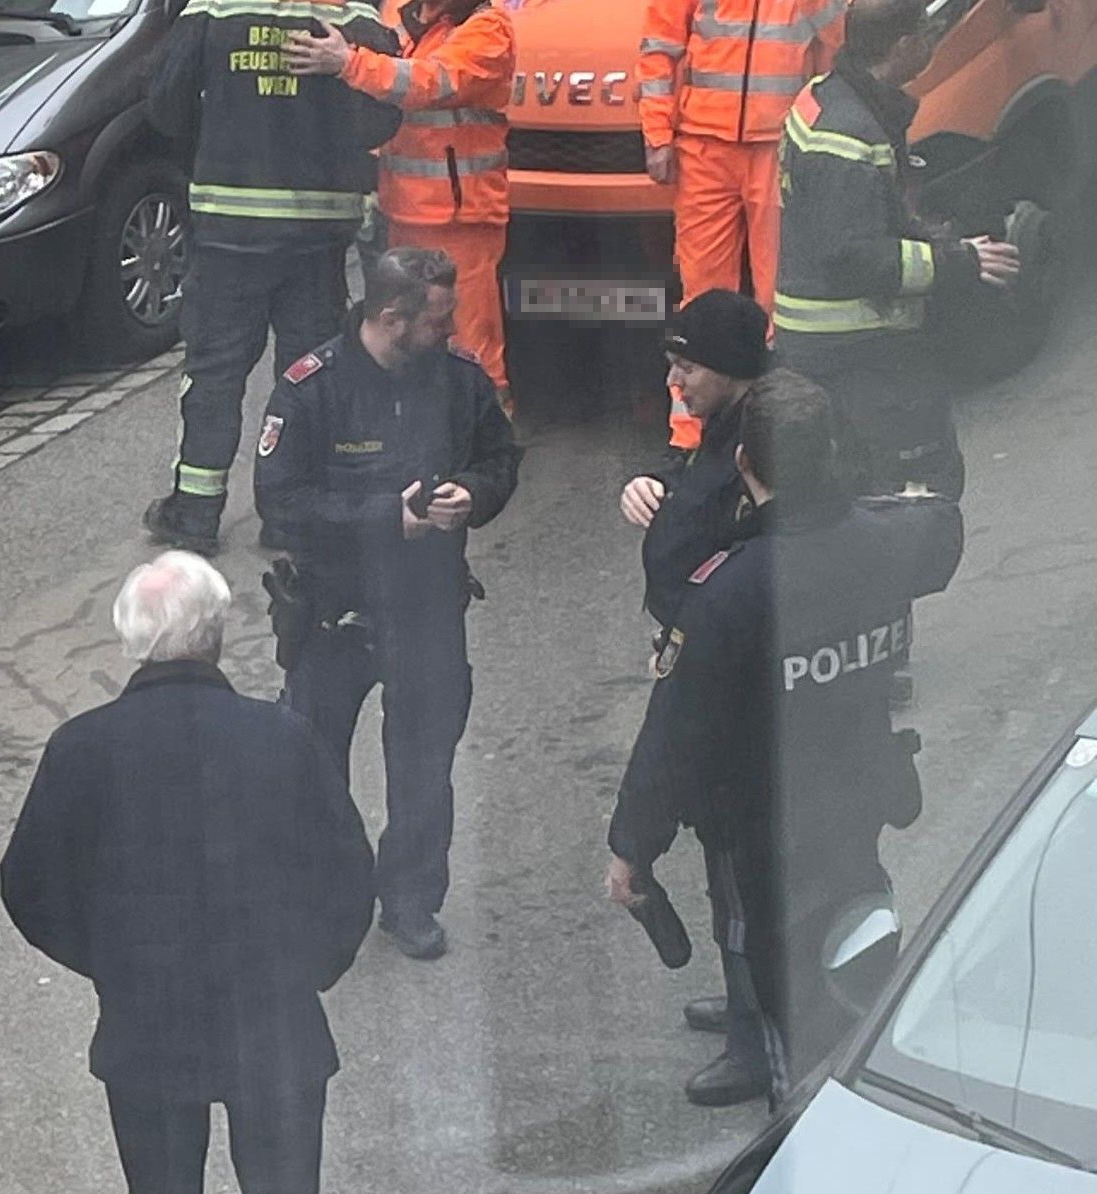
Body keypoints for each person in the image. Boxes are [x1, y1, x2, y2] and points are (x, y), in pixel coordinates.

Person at [0, 552, 378, 1194]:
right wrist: (309, 968)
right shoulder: (279, 737)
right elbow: (348, 875)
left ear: (131, 642)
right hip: (271, 1017)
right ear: (217, 634)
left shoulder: (81, 749)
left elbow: (28, 887)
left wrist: (110, 962)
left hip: (145, 1024)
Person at [604, 373, 962, 1098]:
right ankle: (856, 1051)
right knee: (855, 924)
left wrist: (631, 851)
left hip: (759, 816)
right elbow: (936, 526)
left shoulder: (729, 592)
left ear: (743, 464)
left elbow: (673, 738)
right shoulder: (892, 541)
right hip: (860, 784)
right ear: (829, 452)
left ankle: (792, 1109)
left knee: (759, 949)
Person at [255, 247, 521, 961]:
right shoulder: (312, 389)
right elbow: (279, 503)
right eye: (438, 320)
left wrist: (477, 493)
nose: (452, 329)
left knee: (425, 770)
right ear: (393, 318)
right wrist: (385, 518)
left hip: (428, 611)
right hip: (333, 616)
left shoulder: (460, 380)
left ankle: (408, 900)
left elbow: (502, 458)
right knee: (312, 771)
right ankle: (324, 898)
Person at [141, 0, 404, 553]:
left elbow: (164, 107)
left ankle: (194, 510)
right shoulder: (354, 14)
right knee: (306, 374)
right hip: (318, 232)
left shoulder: (214, 9)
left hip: (229, 225)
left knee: (214, 370)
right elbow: (383, 116)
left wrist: (218, 140)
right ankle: (290, 516)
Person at [617, 289, 777, 1104]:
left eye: (687, 364)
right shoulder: (728, 432)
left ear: (732, 368)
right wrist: (652, 484)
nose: (675, 379)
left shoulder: (766, 442)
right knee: (729, 882)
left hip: (733, 692)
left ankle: (758, 1043)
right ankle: (748, 1003)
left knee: (745, 887)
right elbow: (695, 478)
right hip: (714, 656)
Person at [774, 0, 1022, 498]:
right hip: (857, 348)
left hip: (823, 341)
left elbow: (858, 219)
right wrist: (958, 261)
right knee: (907, 486)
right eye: (926, 37)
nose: (931, 46)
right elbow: (855, 258)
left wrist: (938, 241)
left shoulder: (825, 96)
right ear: (904, 47)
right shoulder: (850, 135)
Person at [284, 0, 517, 414]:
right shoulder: (415, 26)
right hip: (407, 210)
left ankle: (487, 444)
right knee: (412, 339)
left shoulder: (488, 30)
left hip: (458, 218)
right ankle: (428, 442)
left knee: (468, 346)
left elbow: (426, 82)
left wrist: (347, 62)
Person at [636, 0, 843, 448]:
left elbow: (834, 49)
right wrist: (657, 134)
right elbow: (658, 50)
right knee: (703, 301)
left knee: (779, 297)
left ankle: (779, 425)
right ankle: (693, 434)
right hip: (704, 148)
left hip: (779, 145)